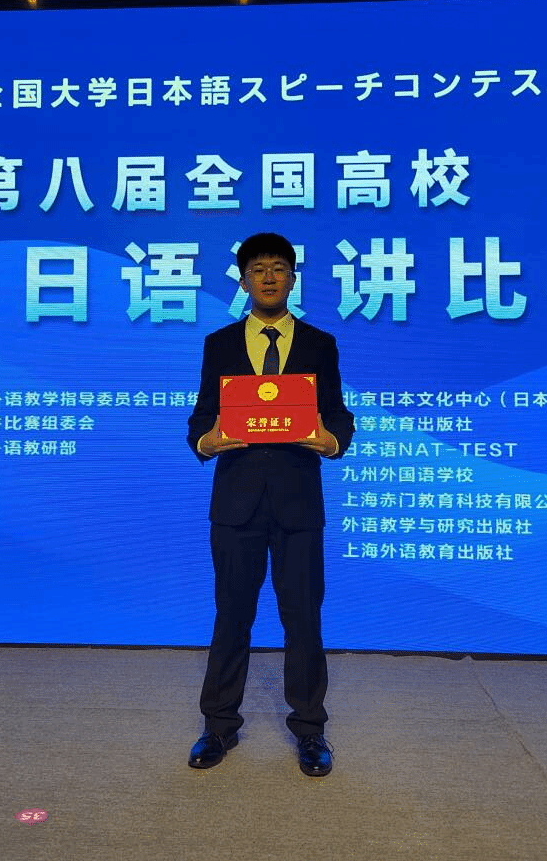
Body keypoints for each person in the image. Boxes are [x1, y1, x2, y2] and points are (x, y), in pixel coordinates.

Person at [185, 232, 355, 777]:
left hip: (298, 505)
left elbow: (337, 413)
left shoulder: (320, 344)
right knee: (232, 616)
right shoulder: (219, 344)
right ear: (243, 281)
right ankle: (218, 726)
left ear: (292, 278)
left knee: (303, 619)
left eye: (279, 268)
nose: (269, 277)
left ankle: (310, 729)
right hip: (236, 504)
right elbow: (201, 416)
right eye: (258, 269)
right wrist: (207, 440)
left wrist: (331, 440)